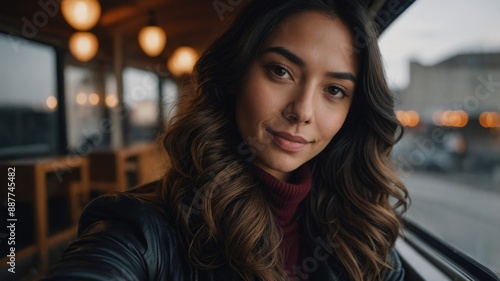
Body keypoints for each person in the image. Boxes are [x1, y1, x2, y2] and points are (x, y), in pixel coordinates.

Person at [42, 0, 408, 280]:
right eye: (281, 71)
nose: (302, 111)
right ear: (235, 76)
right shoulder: (143, 229)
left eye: (334, 89)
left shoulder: (363, 229)